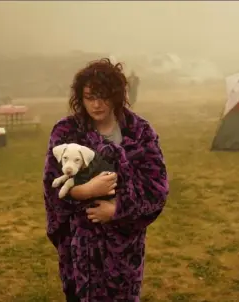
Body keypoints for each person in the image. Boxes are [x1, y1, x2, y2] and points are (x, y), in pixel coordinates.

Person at [43, 58, 169, 302]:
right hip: (80, 247)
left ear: (117, 95)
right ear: (80, 98)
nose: (97, 104)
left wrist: (117, 210)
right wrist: (84, 191)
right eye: (90, 97)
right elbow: (51, 186)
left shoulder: (139, 132)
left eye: (104, 96)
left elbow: (157, 188)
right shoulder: (67, 132)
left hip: (124, 248)